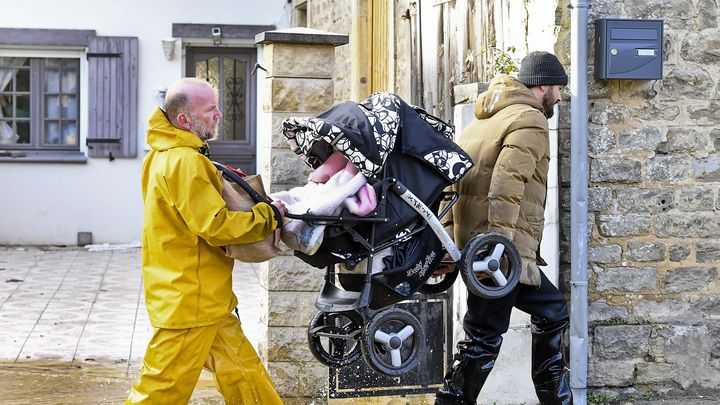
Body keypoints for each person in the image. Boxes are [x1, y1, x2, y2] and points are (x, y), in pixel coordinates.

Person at [126, 77, 287, 404]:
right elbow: (215, 226)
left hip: (202, 297)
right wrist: (270, 217)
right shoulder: (186, 162)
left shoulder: (160, 155)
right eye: (210, 109)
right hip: (191, 302)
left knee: (244, 374)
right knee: (159, 392)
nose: (218, 115)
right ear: (184, 119)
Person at [434, 51, 572, 404]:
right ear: (541, 85)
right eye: (558, 88)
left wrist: (452, 243)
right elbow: (507, 185)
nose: (560, 96)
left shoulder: (482, 120)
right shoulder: (529, 120)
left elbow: (451, 183)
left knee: (552, 309)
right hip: (498, 255)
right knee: (483, 336)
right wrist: (500, 249)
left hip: (481, 250)